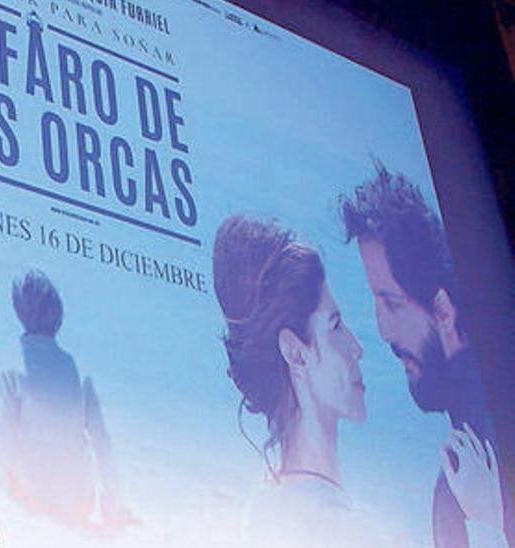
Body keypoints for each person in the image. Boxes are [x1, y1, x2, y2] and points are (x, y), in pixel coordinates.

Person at [339, 165, 510, 548]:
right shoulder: (460, 471)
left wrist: (492, 518)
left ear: (444, 313)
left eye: (393, 304)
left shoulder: (471, 474)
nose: (382, 330)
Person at [212, 215, 373, 547]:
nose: (357, 349)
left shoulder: (263, 506)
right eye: (336, 326)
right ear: (295, 352)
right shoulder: (336, 525)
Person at [0, 269, 132, 532]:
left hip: (31, 498)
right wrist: (111, 506)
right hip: (79, 501)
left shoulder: (11, 367)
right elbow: (102, 440)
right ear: (58, 313)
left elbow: (3, 443)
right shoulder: (79, 368)